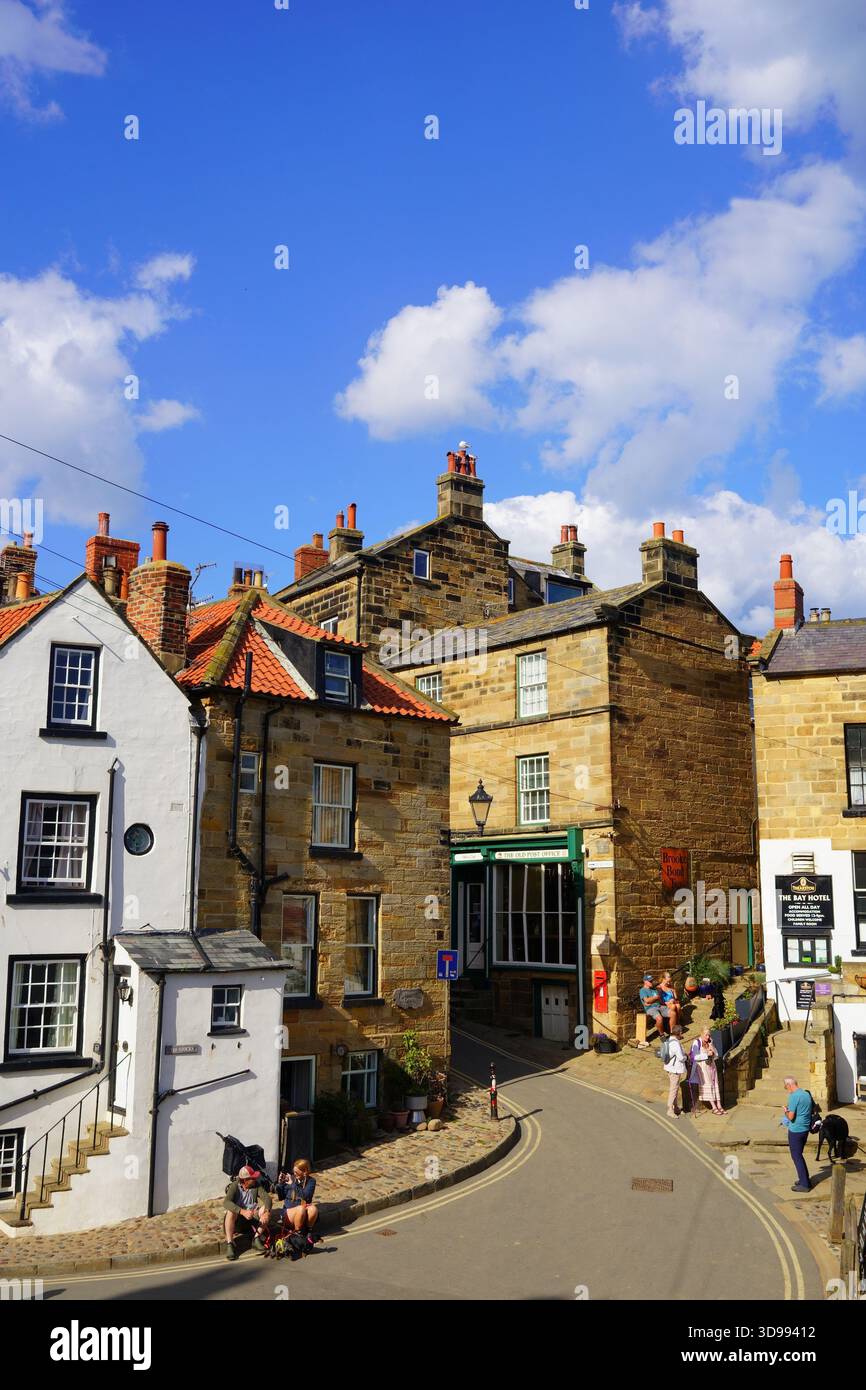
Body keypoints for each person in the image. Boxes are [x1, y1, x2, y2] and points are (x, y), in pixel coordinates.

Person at [223, 1164, 273, 1261]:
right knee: (230, 1211)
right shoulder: (234, 1186)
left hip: (252, 1221)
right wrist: (242, 1211)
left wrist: (266, 1212)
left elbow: (267, 1198)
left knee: (265, 1209)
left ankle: (256, 1238)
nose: (255, 1179)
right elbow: (226, 1202)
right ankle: (230, 1243)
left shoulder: (256, 1185)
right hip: (237, 1221)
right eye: (252, 1178)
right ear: (245, 1180)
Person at [276, 1158, 319, 1247]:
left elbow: (306, 1196)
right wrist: (280, 1184)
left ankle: (308, 1232)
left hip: (302, 1213)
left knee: (313, 1209)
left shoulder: (311, 1181)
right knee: (300, 1209)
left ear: (305, 1172)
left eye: (296, 1172)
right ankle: (297, 1235)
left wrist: (293, 1185)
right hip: (289, 1214)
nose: (294, 1174)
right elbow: (281, 1197)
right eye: (294, 1172)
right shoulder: (291, 1179)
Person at [782, 1077, 813, 1192]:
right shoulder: (806, 1094)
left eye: (786, 1087)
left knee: (796, 1156)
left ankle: (805, 1185)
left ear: (789, 1085)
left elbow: (791, 1117)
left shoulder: (794, 1096)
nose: (787, 1089)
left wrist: (785, 1111)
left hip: (796, 1130)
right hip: (805, 1128)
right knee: (799, 1155)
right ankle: (804, 1179)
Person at [688, 1028, 725, 1114]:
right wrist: (706, 1054)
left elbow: (716, 1055)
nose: (708, 1037)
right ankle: (714, 1107)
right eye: (706, 1035)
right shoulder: (696, 1042)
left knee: (715, 1084)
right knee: (708, 1085)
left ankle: (719, 1105)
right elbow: (695, 1057)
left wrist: (712, 1047)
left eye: (709, 1035)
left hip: (712, 1066)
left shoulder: (709, 1042)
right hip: (703, 1068)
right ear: (701, 1034)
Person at [663, 1024, 688, 1117]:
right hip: (674, 1069)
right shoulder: (675, 1043)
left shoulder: (670, 1039)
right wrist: (686, 1056)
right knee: (673, 1089)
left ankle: (676, 1107)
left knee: (676, 1088)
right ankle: (670, 1110)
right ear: (680, 1033)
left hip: (670, 1067)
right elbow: (681, 1058)